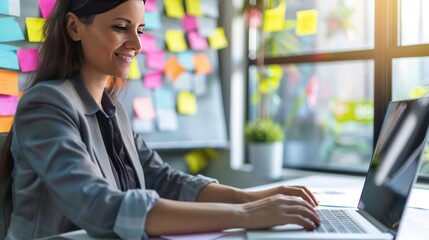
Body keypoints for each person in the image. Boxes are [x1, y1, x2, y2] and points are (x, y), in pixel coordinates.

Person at [0, 0, 320, 239]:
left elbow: (162, 179)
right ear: (74, 27)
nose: (137, 45)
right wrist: (245, 214)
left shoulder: (113, 109)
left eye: (139, 30)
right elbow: (97, 205)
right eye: (120, 27)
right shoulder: (46, 104)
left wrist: (254, 197)